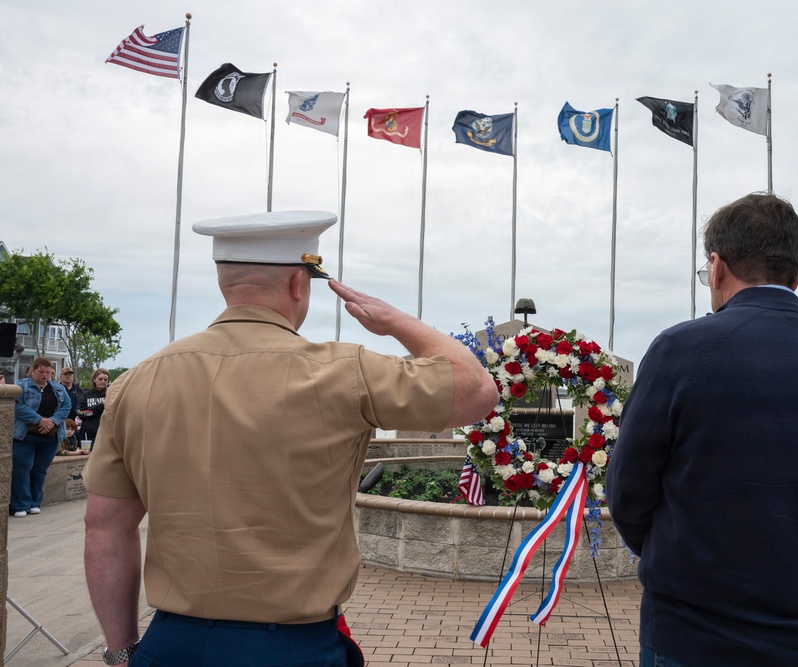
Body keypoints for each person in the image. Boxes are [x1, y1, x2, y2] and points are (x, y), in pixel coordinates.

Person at [82, 211, 498, 667]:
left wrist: (122, 652)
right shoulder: (344, 371)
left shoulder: (135, 382)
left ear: (225, 281)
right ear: (300, 285)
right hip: (292, 648)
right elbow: (476, 390)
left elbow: (105, 526)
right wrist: (395, 321)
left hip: (172, 644)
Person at [606, 193, 798, 667]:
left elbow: (627, 489)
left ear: (716, 267)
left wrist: (679, 554)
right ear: (794, 275)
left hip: (698, 633)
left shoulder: (682, 348)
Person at [11, 357, 71, 517]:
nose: (45, 375)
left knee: (40, 470)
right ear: (33, 371)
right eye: (41, 372)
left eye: (48, 372)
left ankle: (34, 503)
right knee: (21, 469)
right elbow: (17, 405)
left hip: (50, 437)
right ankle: (20, 505)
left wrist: (52, 421)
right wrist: (39, 420)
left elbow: (66, 405)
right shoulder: (20, 385)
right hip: (25, 436)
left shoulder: (58, 388)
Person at [78, 368, 110, 443]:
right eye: (100, 379)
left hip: (106, 433)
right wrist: (100, 406)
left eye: (105, 380)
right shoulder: (86, 395)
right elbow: (80, 413)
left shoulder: (111, 395)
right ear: (94, 380)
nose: (103, 382)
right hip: (89, 434)